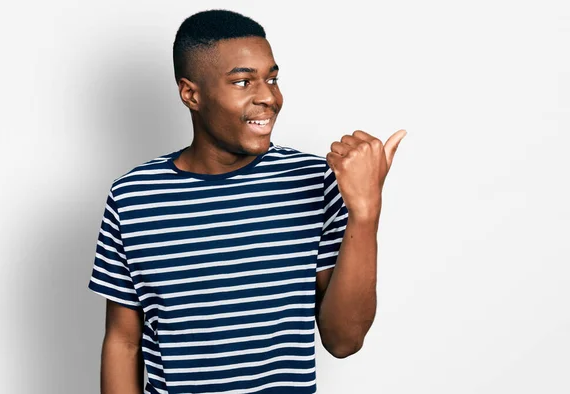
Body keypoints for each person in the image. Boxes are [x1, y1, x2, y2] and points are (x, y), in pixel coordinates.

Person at [87, 8, 406, 394]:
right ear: (191, 94)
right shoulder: (133, 197)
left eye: (272, 78)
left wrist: (366, 211)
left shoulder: (313, 181)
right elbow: (123, 342)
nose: (269, 97)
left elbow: (344, 341)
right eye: (243, 82)